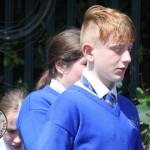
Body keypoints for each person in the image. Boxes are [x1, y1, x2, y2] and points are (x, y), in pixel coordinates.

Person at [36, 5, 144, 150]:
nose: (127, 58)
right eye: (118, 49)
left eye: (129, 49)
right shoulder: (68, 104)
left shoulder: (129, 108)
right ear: (88, 52)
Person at [16, 28, 87, 150]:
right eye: (86, 64)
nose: (94, 71)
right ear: (60, 66)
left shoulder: (94, 102)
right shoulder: (37, 102)